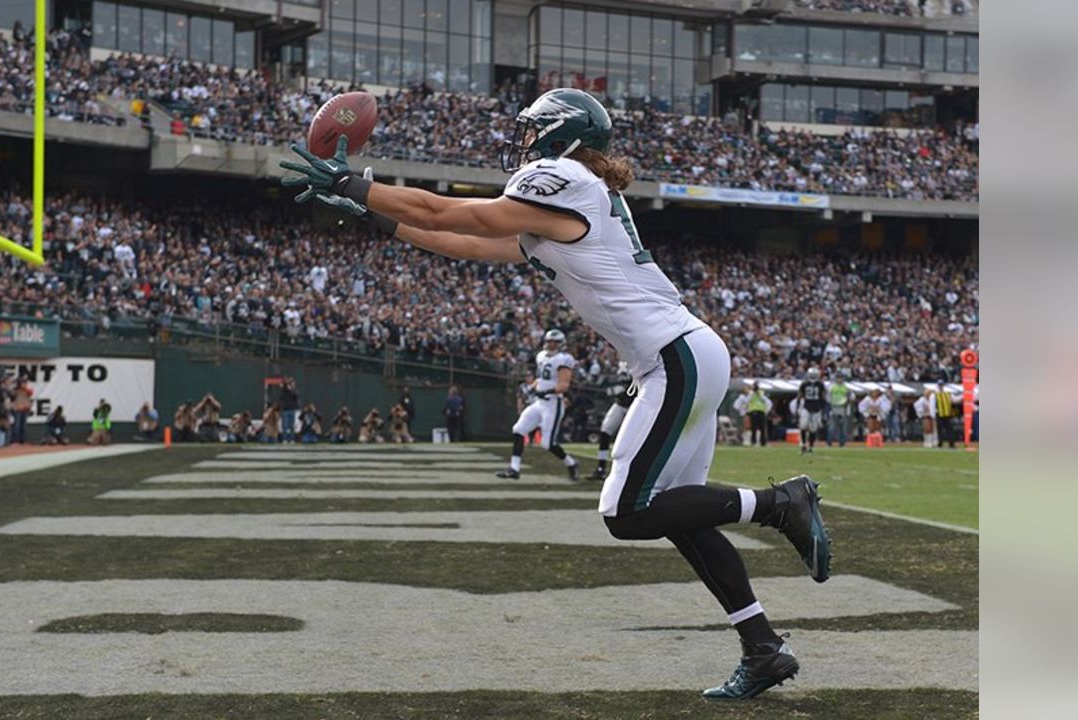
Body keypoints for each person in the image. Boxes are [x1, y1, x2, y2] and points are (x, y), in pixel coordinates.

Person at [282, 88, 831, 699]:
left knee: (627, 512)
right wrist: (374, 213)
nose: (521, 140)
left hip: (674, 356)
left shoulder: (559, 175)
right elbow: (469, 243)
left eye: (530, 129)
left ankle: (779, 503)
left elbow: (459, 216)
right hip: (680, 354)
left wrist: (359, 186)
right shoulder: (574, 191)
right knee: (682, 512)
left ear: (558, 135)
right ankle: (762, 649)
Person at [494, 329, 581, 481]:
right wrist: (532, 387)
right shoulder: (541, 356)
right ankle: (514, 469)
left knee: (547, 444)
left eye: (555, 342)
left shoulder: (564, 359)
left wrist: (546, 391)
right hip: (539, 403)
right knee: (518, 430)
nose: (551, 344)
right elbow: (541, 378)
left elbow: (564, 385)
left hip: (553, 404)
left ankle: (571, 463)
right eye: (549, 341)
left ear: (561, 344)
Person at [592, 361, 635, 480]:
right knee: (605, 431)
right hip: (620, 404)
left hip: (635, 405)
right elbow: (618, 382)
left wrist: (624, 389)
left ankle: (631, 471)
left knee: (632, 439)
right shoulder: (622, 362)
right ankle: (601, 468)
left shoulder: (638, 358)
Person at [796, 368, 827, 454]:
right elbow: (799, 396)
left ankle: (810, 447)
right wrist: (797, 408)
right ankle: (803, 445)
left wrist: (823, 409)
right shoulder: (804, 384)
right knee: (803, 425)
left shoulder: (820, 384)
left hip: (816, 408)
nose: (813, 377)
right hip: (806, 407)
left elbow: (823, 397)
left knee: (813, 429)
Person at [826, 374, 854, 448]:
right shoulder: (832, 387)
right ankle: (829, 443)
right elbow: (828, 399)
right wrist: (830, 409)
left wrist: (846, 406)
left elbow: (849, 398)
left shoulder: (846, 388)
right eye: (838, 378)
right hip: (834, 407)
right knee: (832, 427)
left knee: (843, 428)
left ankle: (842, 443)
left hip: (843, 408)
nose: (840, 380)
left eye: (841, 378)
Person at [744, 383, 773, 448]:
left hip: (761, 411)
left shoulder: (761, 393)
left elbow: (765, 400)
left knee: (762, 427)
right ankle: (753, 442)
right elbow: (747, 400)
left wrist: (759, 394)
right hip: (754, 411)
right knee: (754, 428)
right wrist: (752, 393)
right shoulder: (751, 393)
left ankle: (763, 442)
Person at [9, 376, 34, 444]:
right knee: (17, 425)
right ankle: (14, 440)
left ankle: (22, 440)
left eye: (25, 382)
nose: (24, 384)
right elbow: (11, 395)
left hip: (25, 409)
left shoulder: (27, 390)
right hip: (17, 409)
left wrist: (24, 388)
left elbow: (30, 393)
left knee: (23, 426)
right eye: (22, 382)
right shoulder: (15, 390)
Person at [279, 377, 300, 443]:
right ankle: (284, 439)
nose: (293, 384)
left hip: (292, 409)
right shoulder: (285, 390)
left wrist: (291, 389)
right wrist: (286, 384)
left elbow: (296, 395)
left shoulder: (295, 390)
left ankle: (292, 439)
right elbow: (283, 385)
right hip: (285, 410)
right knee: (285, 425)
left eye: (293, 383)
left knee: (291, 426)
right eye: (291, 383)